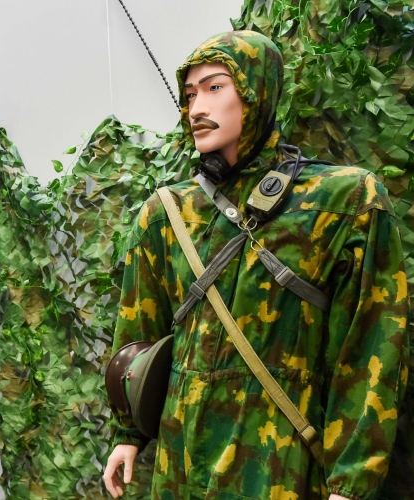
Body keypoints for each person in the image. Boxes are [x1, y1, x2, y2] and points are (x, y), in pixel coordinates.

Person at [103, 31, 408, 500]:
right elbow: (138, 336)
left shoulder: (342, 201)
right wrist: (128, 433)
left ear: (256, 90)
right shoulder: (166, 212)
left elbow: (371, 347)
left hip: (279, 464)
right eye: (190, 94)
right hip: (181, 465)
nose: (197, 108)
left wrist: (350, 482)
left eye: (215, 87)